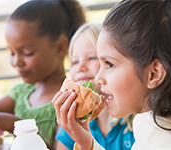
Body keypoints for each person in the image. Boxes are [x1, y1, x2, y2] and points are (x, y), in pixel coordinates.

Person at [52, 0, 171, 150]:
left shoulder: (152, 127)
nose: (99, 78)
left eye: (109, 64)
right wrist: (87, 143)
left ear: (154, 74)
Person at [0, 0, 86, 149]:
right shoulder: (19, 94)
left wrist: (16, 126)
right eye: (11, 53)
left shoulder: (68, 101)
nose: (16, 61)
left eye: (27, 53)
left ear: (61, 48)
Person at [55, 22, 135, 150]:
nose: (80, 67)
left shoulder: (138, 121)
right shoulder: (72, 120)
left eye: (92, 58)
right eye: (75, 61)